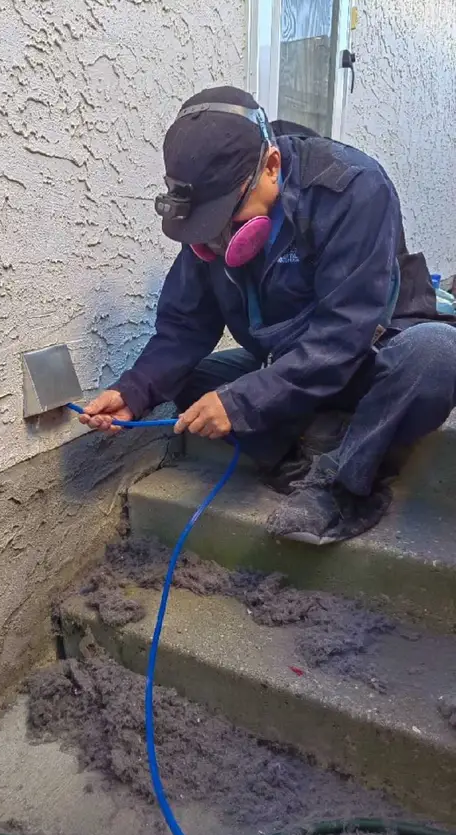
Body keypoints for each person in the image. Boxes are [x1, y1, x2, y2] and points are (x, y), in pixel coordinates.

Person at [77, 86, 456, 546]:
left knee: (438, 355)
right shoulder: (211, 223)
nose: (215, 240)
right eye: (206, 226)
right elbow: (183, 328)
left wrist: (243, 403)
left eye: (227, 218)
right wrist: (134, 392)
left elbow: (342, 336)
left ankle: (342, 487)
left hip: (367, 356)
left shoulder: (354, 187)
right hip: (285, 369)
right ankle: (296, 456)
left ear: (272, 166)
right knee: (190, 383)